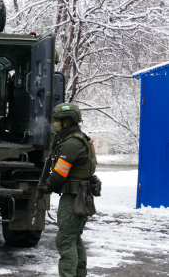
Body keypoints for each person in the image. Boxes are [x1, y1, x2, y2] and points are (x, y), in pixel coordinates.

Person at [37, 103, 97, 277]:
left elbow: (59, 174)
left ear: (67, 121)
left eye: (58, 121)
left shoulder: (71, 144)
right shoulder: (78, 139)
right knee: (73, 238)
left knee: (65, 241)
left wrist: (46, 187)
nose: (54, 124)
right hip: (78, 196)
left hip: (73, 198)